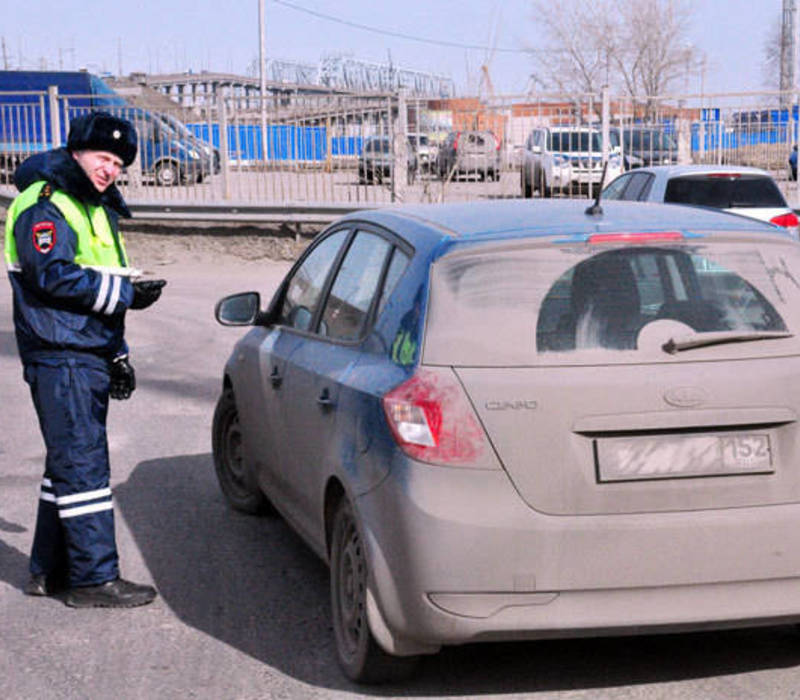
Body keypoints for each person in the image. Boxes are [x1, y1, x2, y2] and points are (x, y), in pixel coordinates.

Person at [4, 111, 167, 608]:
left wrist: (117, 353)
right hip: (60, 352)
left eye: (119, 162)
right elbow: (51, 276)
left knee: (68, 464)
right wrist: (126, 293)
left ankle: (48, 571)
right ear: (77, 150)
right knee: (84, 466)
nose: (111, 169)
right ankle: (94, 580)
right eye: (103, 157)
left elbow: (96, 276)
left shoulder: (92, 205)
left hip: (83, 350)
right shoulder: (46, 204)